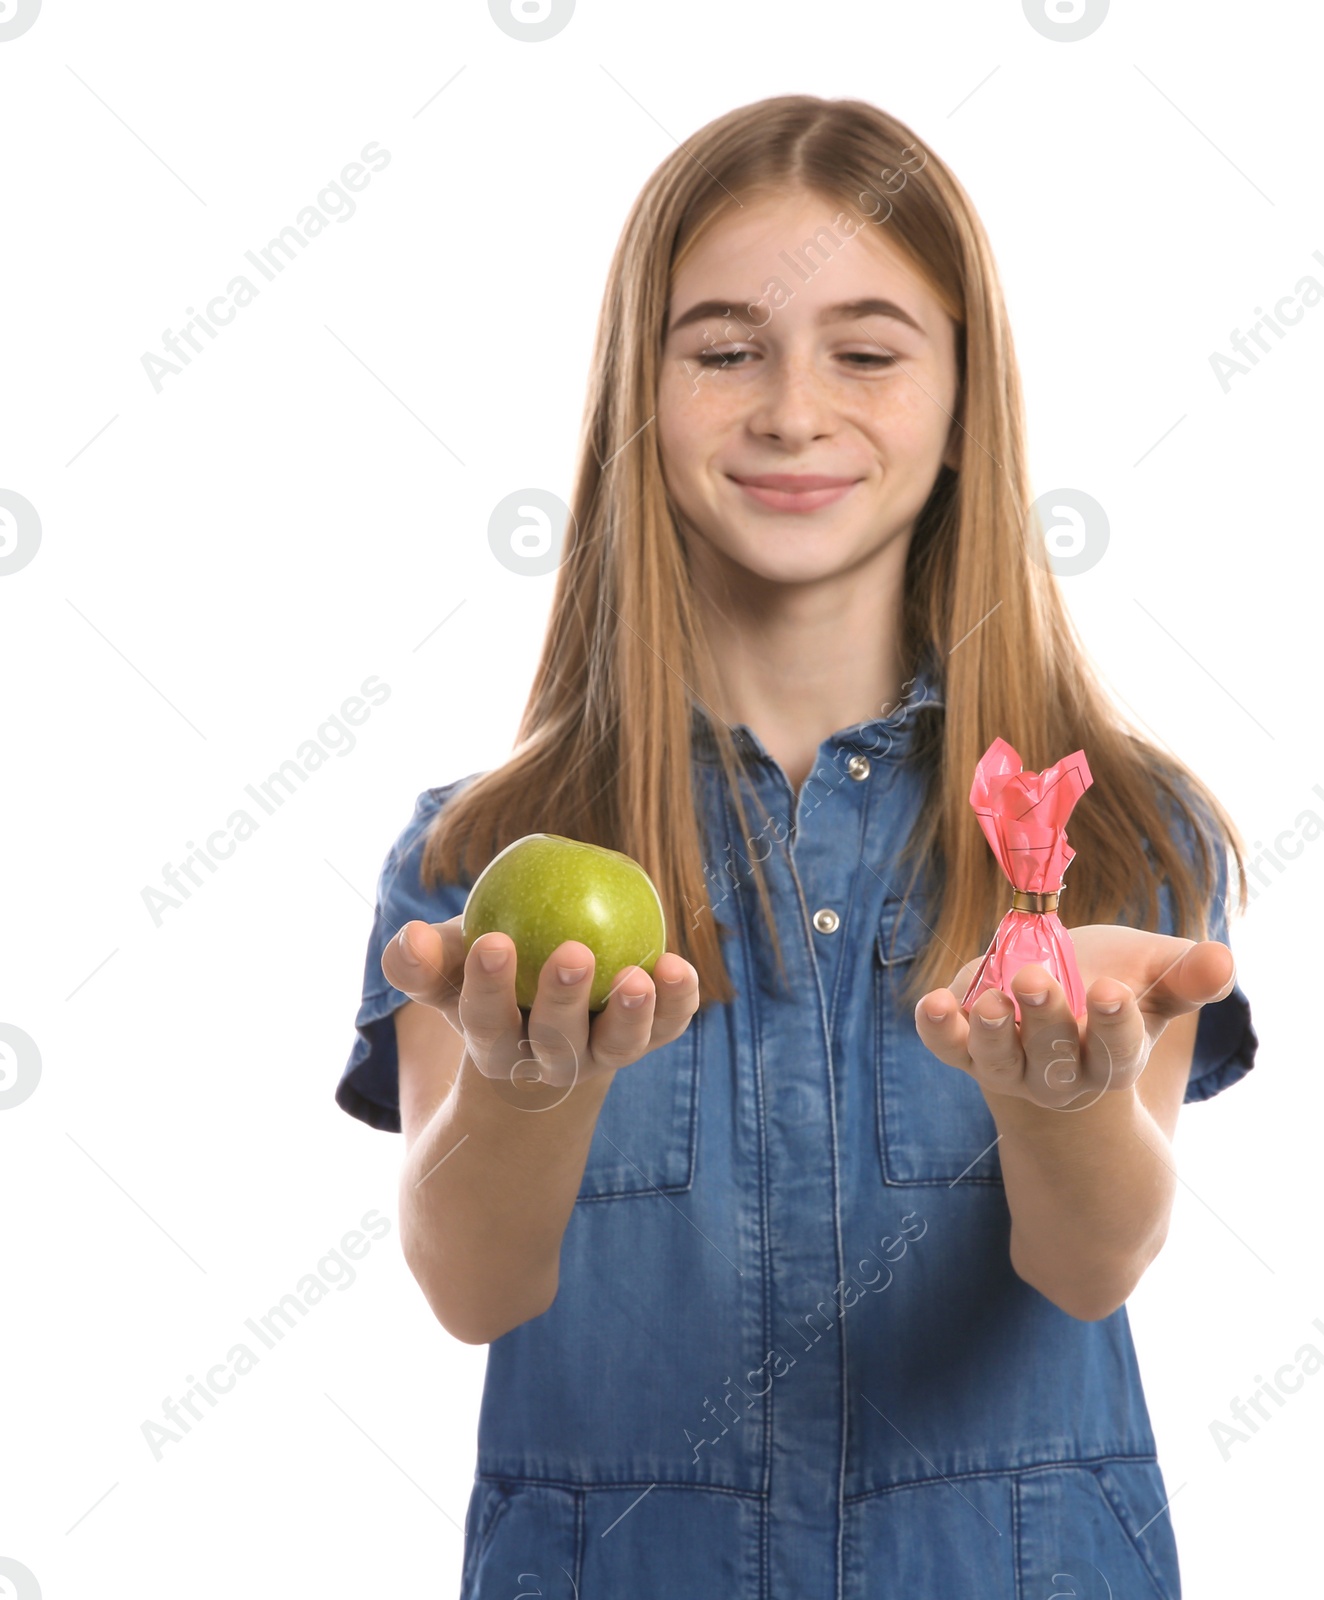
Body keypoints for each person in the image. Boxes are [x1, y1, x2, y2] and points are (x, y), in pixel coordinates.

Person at [337, 94, 1259, 1600]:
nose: (791, 410)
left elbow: (1088, 1267)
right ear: (642, 396)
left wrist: (1063, 1098)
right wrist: (523, 1085)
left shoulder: (1108, 839)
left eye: (870, 351)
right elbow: (471, 1285)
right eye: (723, 351)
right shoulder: (482, 855)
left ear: (966, 405)